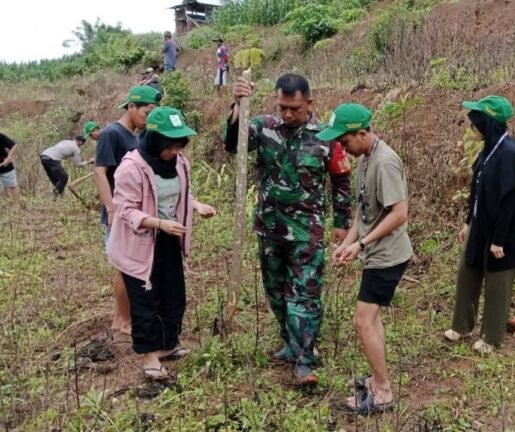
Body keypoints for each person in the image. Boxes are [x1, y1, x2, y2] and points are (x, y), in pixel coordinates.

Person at [227, 73, 353, 386]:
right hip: (269, 227)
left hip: (306, 232)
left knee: (304, 296)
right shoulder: (264, 126)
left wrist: (341, 222)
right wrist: (237, 108)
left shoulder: (327, 136)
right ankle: (289, 342)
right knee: (276, 293)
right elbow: (233, 144)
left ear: (309, 102)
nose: (287, 114)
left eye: (294, 108)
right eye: (282, 106)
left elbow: (341, 181)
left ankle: (305, 361)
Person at [110, 107, 216, 381]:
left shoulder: (180, 163)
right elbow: (125, 210)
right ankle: (149, 358)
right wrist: (158, 223)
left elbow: (179, 195)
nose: (175, 151)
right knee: (146, 300)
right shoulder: (131, 167)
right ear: (155, 139)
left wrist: (196, 205)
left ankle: (168, 345)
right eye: (170, 145)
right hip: (139, 243)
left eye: (180, 145)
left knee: (173, 294)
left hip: (169, 238)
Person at [325, 103, 413, 414]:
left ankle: (384, 391)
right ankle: (378, 380)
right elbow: (364, 216)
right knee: (371, 320)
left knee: (363, 322)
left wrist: (361, 245)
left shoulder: (385, 163)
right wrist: (347, 244)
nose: (342, 148)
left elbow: (399, 214)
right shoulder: (365, 158)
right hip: (375, 251)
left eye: (345, 141)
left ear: (362, 133)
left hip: (387, 255)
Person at [444, 95, 515, 354]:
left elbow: (510, 204)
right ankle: (462, 325)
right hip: (481, 226)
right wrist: (469, 222)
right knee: (467, 270)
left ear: (489, 124)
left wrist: (499, 240)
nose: (472, 128)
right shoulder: (489, 149)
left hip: (503, 233)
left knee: (497, 282)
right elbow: (478, 191)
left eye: (476, 123)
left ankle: (491, 338)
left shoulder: (509, 154)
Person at [94, 85, 162, 336]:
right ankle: (121, 320)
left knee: (134, 265)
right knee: (124, 267)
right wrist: (111, 208)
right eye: (147, 112)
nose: (149, 118)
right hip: (119, 213)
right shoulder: (112, 133)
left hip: (135, 214)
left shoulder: (136, 136)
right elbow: (100, 171)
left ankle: (124, 317)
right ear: (131, 107)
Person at [0, 132, 20, 203]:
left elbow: (13, 145)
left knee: (12, 185)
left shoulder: (0, 136)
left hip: (4, 164)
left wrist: (9, 157)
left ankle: (16, 206)